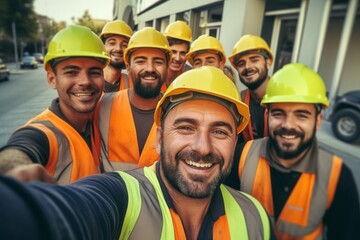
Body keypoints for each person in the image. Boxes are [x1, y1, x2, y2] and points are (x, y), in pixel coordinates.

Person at [0, 66, 274, 240]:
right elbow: (60, 216)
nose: (202, 147)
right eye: (186, 127)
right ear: (158, 137)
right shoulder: (121, 197)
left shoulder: (256, 219)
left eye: (220, 131)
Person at [226, 63, 360, 239]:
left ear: (318, 120)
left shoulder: (337, 176)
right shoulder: (240, 157)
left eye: (301, 115)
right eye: (279, 114)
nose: (288, 125)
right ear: (267, 116)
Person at [0, 25, 110, 184]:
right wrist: (12, 174)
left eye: (94, 72)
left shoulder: (102, 116)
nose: (85, 81)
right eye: (71, 72)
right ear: (52, 79)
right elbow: (21, 149)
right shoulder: (43, 133)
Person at [94, 27, 170, 171]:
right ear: (128, 67)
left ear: (167, 67)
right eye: (141, 61)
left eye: (158, 62)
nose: (150, 68)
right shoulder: (103, 106)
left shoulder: (176, 111)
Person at [228, 34, 273, 143]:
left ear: (268, 62)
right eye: (241, 63)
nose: (247, 67)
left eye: (254, 60)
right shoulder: (239, 101)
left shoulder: (284, 97)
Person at [99, 20, 133, 92]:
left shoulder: (133, 85)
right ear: (102, 47)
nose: (118, 48)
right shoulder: (89, 81)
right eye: (112, 43)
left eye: (124, 45)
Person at [162, 20, 192, 91]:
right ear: (165, 51)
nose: (178, 58)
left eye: (182, 53)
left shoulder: (190, 77)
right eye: (173, 52)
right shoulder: (154, 75)